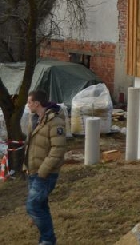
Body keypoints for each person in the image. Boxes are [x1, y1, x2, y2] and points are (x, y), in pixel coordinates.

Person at [25, 89, 67, 245]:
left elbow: (58, 149)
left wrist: (43, 170)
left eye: (29, 102)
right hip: (33, 171)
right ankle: (48, 240)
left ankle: (47, 240)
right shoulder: (35, 119)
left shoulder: (55, 121)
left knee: (33, 205)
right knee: (41, 206)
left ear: (36, 103)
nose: (27, 105)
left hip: (45, 173)